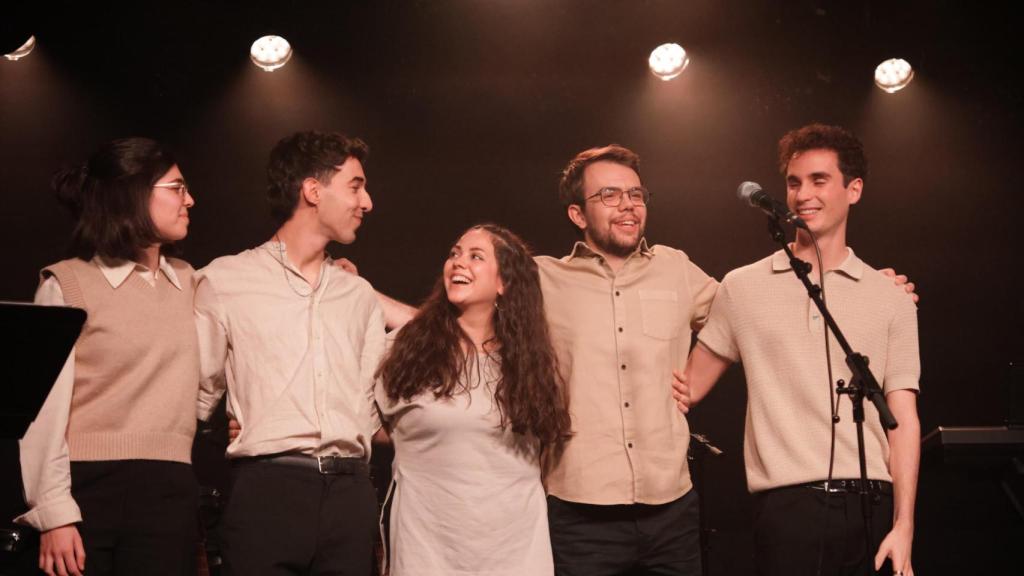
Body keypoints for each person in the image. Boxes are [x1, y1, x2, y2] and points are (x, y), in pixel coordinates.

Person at [677, 124, 920, 576]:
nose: (802, 193)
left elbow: (903, 419)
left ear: (855, 189)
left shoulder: (891, 298)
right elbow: (685, 388)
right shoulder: (742, 287)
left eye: (819, 179)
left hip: (874, 501)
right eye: (794, 182)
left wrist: (905, 524)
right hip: (787, 506)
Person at [193, 130, 385, 575]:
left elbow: (370, 406)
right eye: (355, 186)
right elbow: (197, 396)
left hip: (351, 492)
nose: (367, 202)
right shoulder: (225, 280)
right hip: (267, 490)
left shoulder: (357, 294)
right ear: (312, 190)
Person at [16, 138, 200, 576]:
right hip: (88, 488)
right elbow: (43, 411)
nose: (189, 200)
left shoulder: (193, 283)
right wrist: (54, 510)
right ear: (131, 194)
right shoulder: (67, 284)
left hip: (171, 488)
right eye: (176, 188)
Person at [375, 223, 570, 576]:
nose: (458, 262)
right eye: (454, 253)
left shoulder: (530, 360)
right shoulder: (406, 348)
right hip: (429, 546)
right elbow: (366, 423)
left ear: (503, 283)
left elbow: (543, 446)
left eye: (476, 256)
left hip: (514, 546)